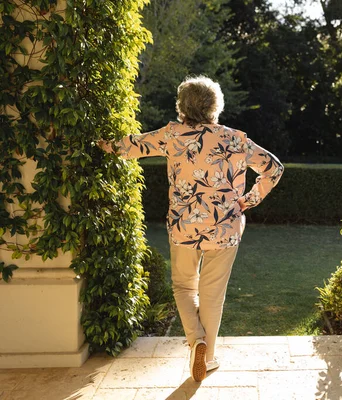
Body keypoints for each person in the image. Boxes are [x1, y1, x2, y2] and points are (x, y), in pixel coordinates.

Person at [97, 75, 284, 383]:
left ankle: (196, 341)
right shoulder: (235, 138)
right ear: (215, 107)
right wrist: (249, 200)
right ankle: (207, 357)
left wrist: (99, 143)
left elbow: (130, 147)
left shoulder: (172, 135)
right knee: (212, 295)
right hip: (225, 228)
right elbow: (274, 167)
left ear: (182, 107)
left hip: (184, 227)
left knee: (184, 288)